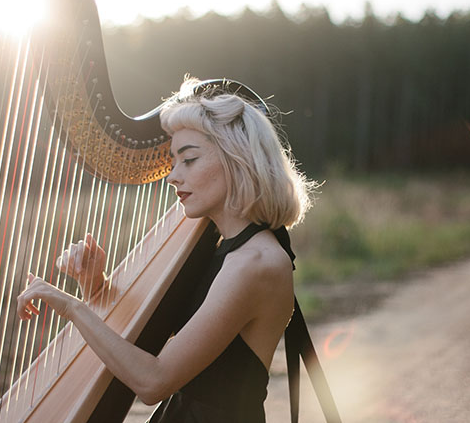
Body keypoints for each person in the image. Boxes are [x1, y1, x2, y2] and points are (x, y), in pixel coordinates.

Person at [17, 78, 315, 422]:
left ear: (238, 160)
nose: (172, 176)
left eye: (188, 160)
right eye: (173, 162)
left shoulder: (255, 262)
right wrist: (92, 283)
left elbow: (153, 380)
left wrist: (72, 307)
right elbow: (135, 343)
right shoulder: (222, 246)